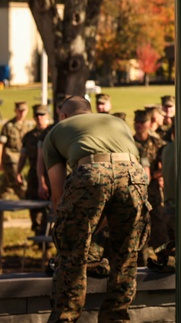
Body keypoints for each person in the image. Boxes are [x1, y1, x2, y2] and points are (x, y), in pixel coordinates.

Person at [42, 96, 148, 322]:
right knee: (126, 254)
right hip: (134, 175)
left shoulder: (56, 131)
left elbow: (59, 196)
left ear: (63, 115)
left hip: (91, 172)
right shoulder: (116, 122)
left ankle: (65, 317)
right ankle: (116, 317)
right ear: (90, 112)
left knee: (72, 253)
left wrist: (74, 231)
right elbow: (127, 171)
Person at [132, 110, 166, 252]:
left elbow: (168, 164)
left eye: (142, 122)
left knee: (159, 228)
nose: (139, 125)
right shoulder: (130, 143)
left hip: (154, 192)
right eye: (137, 122)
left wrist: (154, 174)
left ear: (148, 123)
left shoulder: (157, 143)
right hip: (135, 192)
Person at [19, 105, 52, 237]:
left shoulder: (52, 134)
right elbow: (23, 156)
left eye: (42, 115)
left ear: (47, 116)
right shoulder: (29, 136)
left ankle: (48, 234)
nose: (40, 118)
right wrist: (18, 171)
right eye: (37, 115)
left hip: (50, 175)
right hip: (34, 174)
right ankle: (38, 232)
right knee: (33, 205)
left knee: (50, 207)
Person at [0, 100, 33, 197]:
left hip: (22, 157)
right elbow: (1, 144)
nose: (22, 113)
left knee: (6, 187)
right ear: (15, 111)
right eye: (20, 110)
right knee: (19, 183)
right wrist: (0, 161)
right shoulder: (8, 126)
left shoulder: (28, 126)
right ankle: (28, 199)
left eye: (24, 110)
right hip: (11, 159)